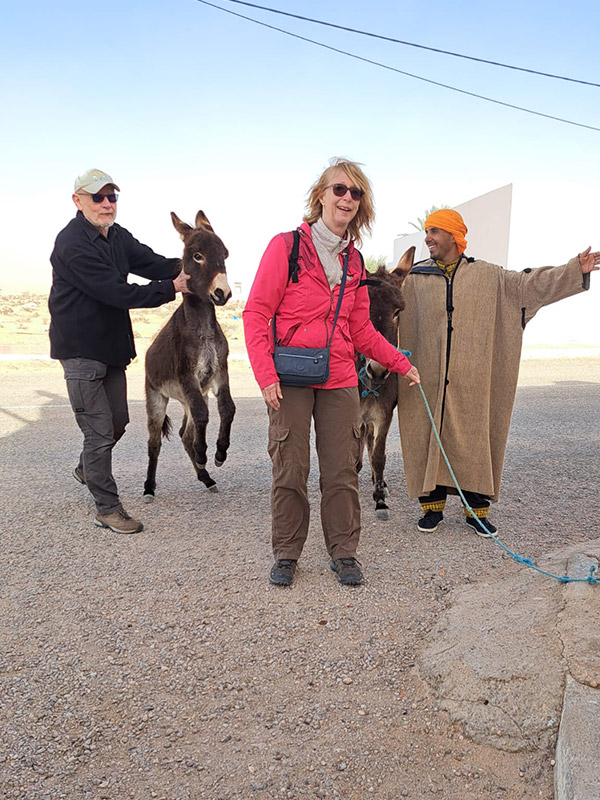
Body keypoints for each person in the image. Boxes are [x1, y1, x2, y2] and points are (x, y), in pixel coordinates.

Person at [243, 158, 420, 587]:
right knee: (290, 465)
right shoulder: (285, 247)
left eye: (355, 193)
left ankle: (344, 552)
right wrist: (265, 375)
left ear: (361, 205)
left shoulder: (355, 262)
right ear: (320, 195)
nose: (346, 198)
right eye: (339, 189)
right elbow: (256, 313)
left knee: (342, 468)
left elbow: (360, 329)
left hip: (340, 376)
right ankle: (286, 552)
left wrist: (401, 363)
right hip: (290, 375)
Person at [396, 208, 598, 537]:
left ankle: (477, 511)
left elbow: (532, 285)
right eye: (427, 231)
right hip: (425, 377)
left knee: (475, 439)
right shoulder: (414, 280)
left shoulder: (490, 277)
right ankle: (431, 509)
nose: (427, 238)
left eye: (434, 231)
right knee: (424, 433)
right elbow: (380, 303)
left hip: (473, 379)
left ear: (454, 236)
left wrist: (574, 270)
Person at [49, 168, 190, 534]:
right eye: (98, 197)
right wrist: (171, 287)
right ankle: (107, 509)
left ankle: (86, 467)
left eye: (112, 197)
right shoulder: (72, 244)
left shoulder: (116, 236)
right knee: (98, 431)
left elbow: (150, 261)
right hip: (81, 352)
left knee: (117, 422)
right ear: (78, 201)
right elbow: (118, 292)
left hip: (110, 349)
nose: (107, 204)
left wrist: (196, 265)